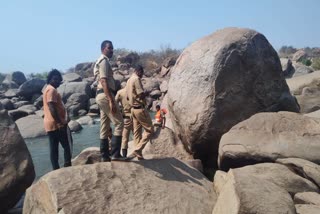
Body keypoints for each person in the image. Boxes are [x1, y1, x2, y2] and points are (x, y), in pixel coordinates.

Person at [94, 40, 125, 161]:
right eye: (109, 48)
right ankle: (115, 154)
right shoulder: (104, 61)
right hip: (105, 95)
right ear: (103, 49)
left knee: (104, 126)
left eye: (112, 48)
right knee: (119, 123)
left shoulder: (101, 61)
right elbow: (103, 81)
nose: (111, 50)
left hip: (100, 95)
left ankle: (104, 156)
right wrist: (111, 100)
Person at [43, 69, 72, 170]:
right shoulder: (51, 90)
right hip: (56, 124)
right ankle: (67, 166)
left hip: (49, 124)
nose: (57, 81)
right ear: (50, 79)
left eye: (58, 79)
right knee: (67, 146)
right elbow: (51, 107)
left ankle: (55, 169)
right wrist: (60, 122)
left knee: (54, 148)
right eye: (55, 79)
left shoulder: (47, 89)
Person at [126, 65, 154, 160]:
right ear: (139, 72)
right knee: (150, 130)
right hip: (139, 108)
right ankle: (137, 150)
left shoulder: (129, 80)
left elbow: (127, 96)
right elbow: (141, 95)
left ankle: (139, 154)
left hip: (133, 109)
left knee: (137, 132)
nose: (142, 76)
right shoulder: (136, 79)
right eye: (142, 74)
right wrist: (147, 92)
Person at [115, 87, 132, 158]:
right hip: (136, 116)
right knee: (137, 135)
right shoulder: (132, 90)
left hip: (126, 117)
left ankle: (124, 156)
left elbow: (115, 103)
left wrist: (119, 112)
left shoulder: (120, 92)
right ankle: (139, 153)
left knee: (125, 138)